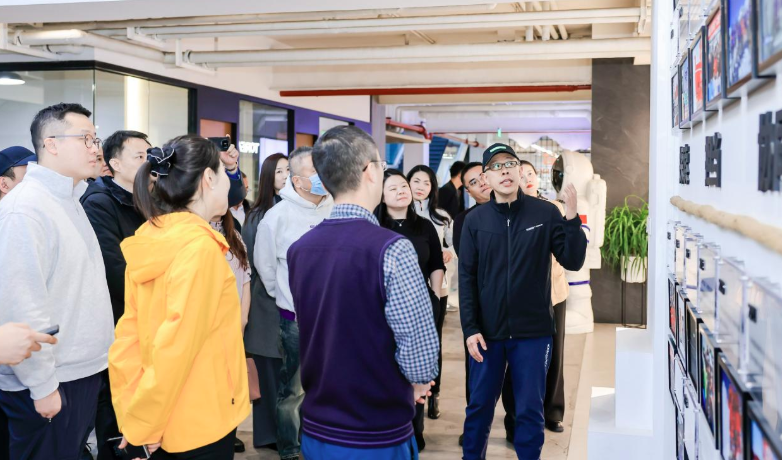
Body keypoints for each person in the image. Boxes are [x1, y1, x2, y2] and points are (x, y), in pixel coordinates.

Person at [287, 125, 439, 460]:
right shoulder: (392, 248)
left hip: (317, 426)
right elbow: (419, 356)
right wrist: (419, 380)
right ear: (370, 171)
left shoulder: (300, 249)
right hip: (377, 431)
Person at [109, 135, 250, 459]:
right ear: (208, 178)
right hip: (199, 420)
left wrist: (138, 418)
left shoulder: (149, 238)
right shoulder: (200, 248)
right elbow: (177, 346)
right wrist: (148, 424)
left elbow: (128, 340)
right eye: (223, 173)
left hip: (157, 416)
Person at [0, 102, 115, 460]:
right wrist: (42, 386)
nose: (96, 149)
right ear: (50, 144)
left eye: (96, 139)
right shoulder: (26, 209)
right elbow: (22, 307)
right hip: (50, 382)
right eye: (86, 139)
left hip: (80, 372)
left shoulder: (68, 199)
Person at [460, 143, 587, 460]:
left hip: (533, 332)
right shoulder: (475, 221)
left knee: (530, 410)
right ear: (486, 178)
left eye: (510, 163)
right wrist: (470, 328)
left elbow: (572, 260)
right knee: (479, 407)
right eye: (496, 166)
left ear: (520, 170)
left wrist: (572, 219)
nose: (504, 170)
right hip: (487, 334)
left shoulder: (545, 213)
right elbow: (467, 279)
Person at [255, 146, 333, 460]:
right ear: (298, 180)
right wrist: (289, 298)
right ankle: (289, 450)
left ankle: (325, 444)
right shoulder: (277, 218)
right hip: (296, 321)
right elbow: (266, 269)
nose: (323, 176)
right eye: (315, 171)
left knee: (331, 386)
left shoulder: (336, 208)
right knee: (294, 391)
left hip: (335, 317)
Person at [79, 130, 150, 460]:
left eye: (150, 155)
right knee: (115, 415)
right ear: (115, 163)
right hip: (119, 324)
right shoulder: (99, 203)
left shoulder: (151, 200)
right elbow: (114, 270)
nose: (148, 163)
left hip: (147, 322)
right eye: (140, 156)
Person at [375, 169, 445, 452]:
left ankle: (415, 431)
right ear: (381, 196)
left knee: (416, 369)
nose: (401, 191)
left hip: (421, 306)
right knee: (388, 369)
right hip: (383, 310)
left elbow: (436, 263)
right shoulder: (375, 226)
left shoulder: (424, 226)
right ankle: (389, 430)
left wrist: (435, 296)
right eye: (392, 188)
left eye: (403, 186)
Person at [453, 161, 516, 447]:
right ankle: (475, 429)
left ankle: (514, 425)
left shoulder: (516, 210)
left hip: (518, 312)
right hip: (481, 311)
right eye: (473, 182)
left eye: (482, 176)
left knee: (516, 375)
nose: (481, 183)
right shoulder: (466, 220)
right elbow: (469, 268)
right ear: (467, 191)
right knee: (478, 376)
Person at [520, 160, 570, 433]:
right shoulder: (511, 211)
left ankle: (553, 411)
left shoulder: (554, 208)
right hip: (522, 294)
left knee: (556, 353)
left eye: (530, 173)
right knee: (525, 357)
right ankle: (525, 412)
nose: (527, 178)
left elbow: (565, 247)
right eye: (521, 174)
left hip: (554, 291)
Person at [242, 153, 288, 452]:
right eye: (280, 171)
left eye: (289, 170)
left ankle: (287, 433)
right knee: (268, 375)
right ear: (269, 176)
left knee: (287, 375)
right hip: (264, 303)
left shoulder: (296, 209)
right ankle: (270, 435)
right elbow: (251, 262)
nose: (286, 175)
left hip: (289, 303)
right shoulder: (258, 215)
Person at [407, 164, 452, 420]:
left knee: (434, 342)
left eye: (426, 182)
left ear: (432, 188)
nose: (421, 187)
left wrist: (448, 253)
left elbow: (454, 246)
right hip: (409, 290)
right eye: (416, 181)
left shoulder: (441, 216)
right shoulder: (399, 214)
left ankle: (434, 393)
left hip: (437, 289)